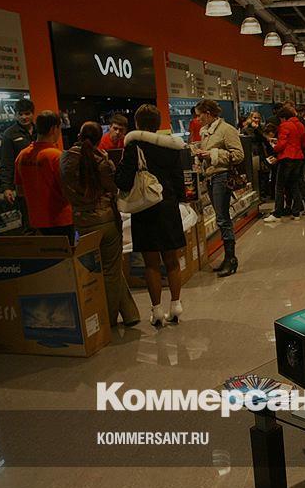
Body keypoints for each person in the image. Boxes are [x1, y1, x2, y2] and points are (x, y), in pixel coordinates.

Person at [60, 121, 140, 327]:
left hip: (82, 222)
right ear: (98, 138)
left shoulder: (65, 159)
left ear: (79, 136)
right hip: (106, 220)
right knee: (111, 270)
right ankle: (109, 320)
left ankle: (130, 313)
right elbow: (115, 187)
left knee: (96, 270)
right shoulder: (102, 161)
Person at [115, 104, 186, 326]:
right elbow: (179, 180)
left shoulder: (134, 146)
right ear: (158, 124)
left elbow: (123, 180)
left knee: (151, 263)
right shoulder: (171, 146)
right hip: (168, 206)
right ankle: (176, 305)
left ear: (137, 123)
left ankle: (156, 311)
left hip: (144, 208)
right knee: (172, 260)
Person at [193, 99, 245, 277]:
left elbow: (238, 155)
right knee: (221, 218)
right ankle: (228, 258)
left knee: (223, 219)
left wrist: (213, 154)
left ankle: (231, 259)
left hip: (222, 177)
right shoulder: (206, 132)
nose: (198, 119)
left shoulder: (226, 129)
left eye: (199, 115)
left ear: (208, 113)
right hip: (211, 177)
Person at [14, 111, 73, 240]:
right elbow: (67, 190)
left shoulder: (22, 156)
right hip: (60, 219)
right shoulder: (57, 156)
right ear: (53, 129)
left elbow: (20, 191)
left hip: (36, 221)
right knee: (67, 252)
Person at [263, 106, 305, 222]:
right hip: (298, 157)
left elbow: (282, 144)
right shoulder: (300, 125)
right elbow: (303, 142)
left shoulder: (285, 125)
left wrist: (274, 146)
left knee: (279, 186)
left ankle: (277, 213)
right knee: (294, 185)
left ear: (283, 117)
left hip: (287, 158)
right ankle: (296, 212)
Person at [0, 98, 35, 226]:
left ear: (33, 113)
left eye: (27, 113)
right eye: (20, 114)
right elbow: (6, 162)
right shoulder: (9, 134)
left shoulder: (40, 130)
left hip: (41, 180)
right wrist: (7, 187)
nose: (24, 117)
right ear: (15, 115)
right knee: (28, 221)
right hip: (23, 184)